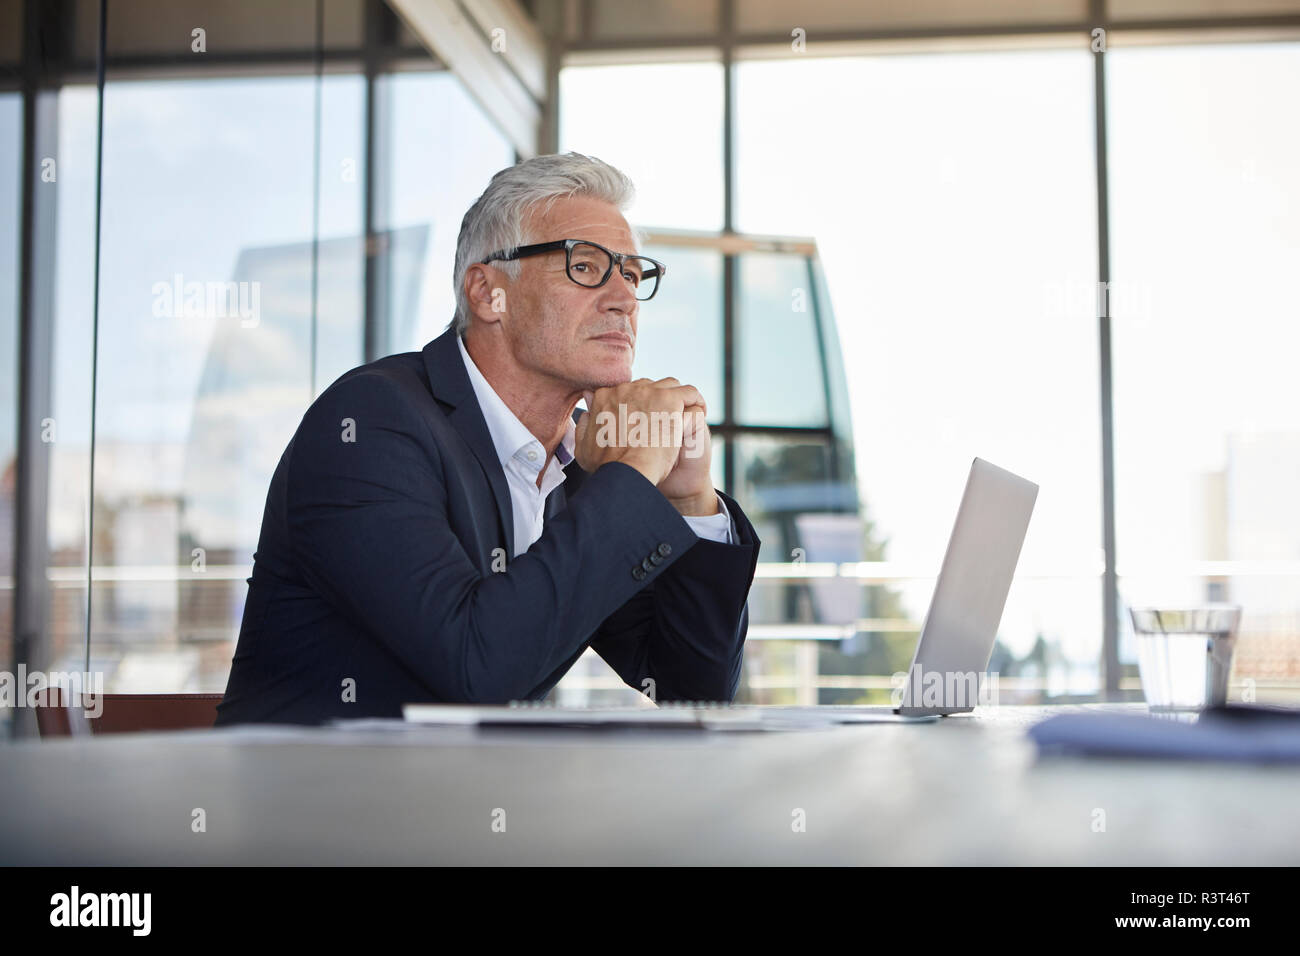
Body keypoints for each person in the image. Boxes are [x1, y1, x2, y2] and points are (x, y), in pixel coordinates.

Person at [215, 152, 761, 725]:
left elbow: (693, 687)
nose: (623, 296)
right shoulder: (370, 424)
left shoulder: (578, 461)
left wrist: (688, 501)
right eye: (587, 266)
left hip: (481, 804)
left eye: (631, 272)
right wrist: (629, 476)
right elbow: (479, 671)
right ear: (486, 292)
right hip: (324, 805)